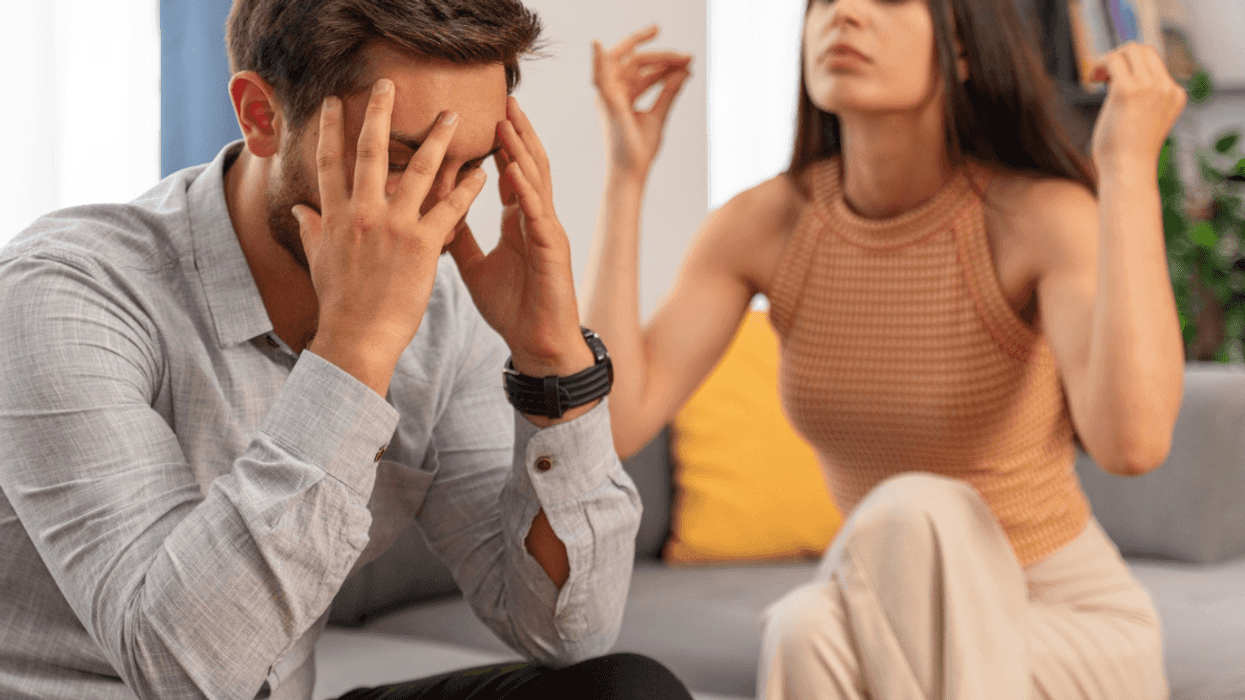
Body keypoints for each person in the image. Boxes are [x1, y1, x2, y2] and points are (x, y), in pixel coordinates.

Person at [0, 1, 695, 699]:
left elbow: (566, 632)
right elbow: (178, 672)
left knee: (626, 691)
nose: (436, 212)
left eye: (468, 167)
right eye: (400, 160)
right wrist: (353, 353)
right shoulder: (66, 291)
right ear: (260, 115)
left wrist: (550, 363)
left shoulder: (444, 313)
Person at [585, 0, 1187, 696]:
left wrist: (1127, 168)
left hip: (1063, 624)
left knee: (914, 511)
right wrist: (625, 177)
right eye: (823, 1)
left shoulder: (1035, 217)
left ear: (962, 47)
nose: (844, 13)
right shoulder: (764, 225)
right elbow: (616, 421)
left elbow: (1132, 445)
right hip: (890, 609)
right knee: (804, 625)